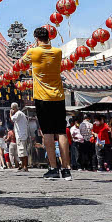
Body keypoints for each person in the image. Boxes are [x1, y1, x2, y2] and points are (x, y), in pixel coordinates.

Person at [27, 27, 72, 180]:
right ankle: (66, 169)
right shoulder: (58, 52)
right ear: (49, 37)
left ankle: (53, 168)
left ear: (36, 38)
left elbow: (21, 64)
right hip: (58, 96)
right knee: (61, 132)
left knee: (47, 133)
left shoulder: (33, 52)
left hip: (42, 97)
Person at [10, 102, 30, 172]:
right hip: (21, 135)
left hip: (21, 135)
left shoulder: (18, 113)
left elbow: (12, 119)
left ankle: (25, 166)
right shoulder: (20, 114)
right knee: (21, 151)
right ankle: (22, 165)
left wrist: (10, 114)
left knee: (22, 151)